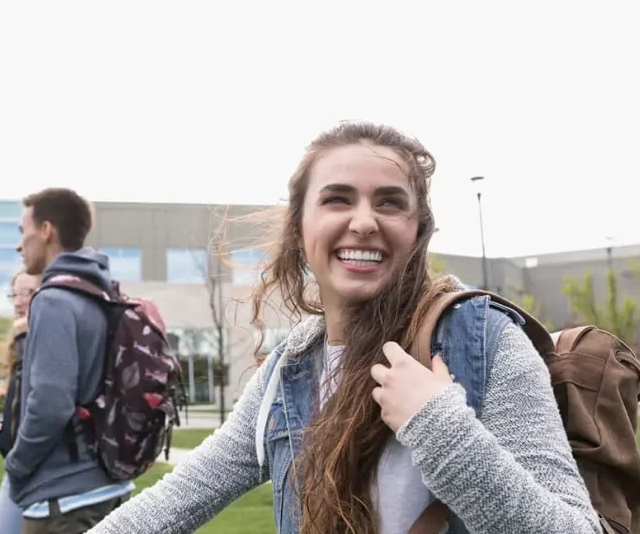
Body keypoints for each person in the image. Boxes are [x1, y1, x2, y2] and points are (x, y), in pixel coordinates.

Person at [89, 122, 601, 534]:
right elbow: (171, 503)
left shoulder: (485, 343)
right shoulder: (287, 374)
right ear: (300, 226)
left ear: (418, 230)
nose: (363, 221)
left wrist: (441, 428)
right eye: (337, 199)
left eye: (389, 202)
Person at [7, 188, 130, 534]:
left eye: (23, 232)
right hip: (110, 487)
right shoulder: (102, 293)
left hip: (65, 503)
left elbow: (50, 404)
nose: (20, 245)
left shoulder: (53, 300)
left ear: (46, 231)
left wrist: (16, 465)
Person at [0, 269, 41, 534]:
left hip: (38, 473)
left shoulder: (40, 342)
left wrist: (24, 338)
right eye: (14, 294)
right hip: (17, 470)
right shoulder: (17, 345)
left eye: (27, 292)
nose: (18, 301)